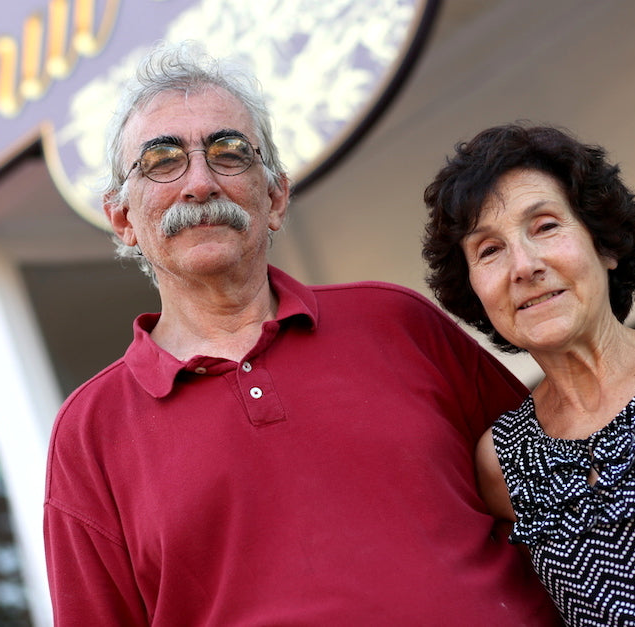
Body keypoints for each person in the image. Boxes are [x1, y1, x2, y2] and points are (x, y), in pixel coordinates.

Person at [43, 44, 559, 626]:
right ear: (122, 219)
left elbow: (560, 491)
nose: (199, 183)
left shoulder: (396, 322)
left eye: (229, 152)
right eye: (162, 161)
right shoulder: (89, 436)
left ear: (276, 197)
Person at [422, 123, 635, 625]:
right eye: (489, 250)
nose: (523, 266)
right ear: (475, 293)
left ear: (605, 245)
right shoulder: (500, 462)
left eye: (546, 226)